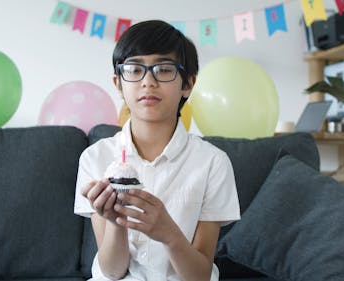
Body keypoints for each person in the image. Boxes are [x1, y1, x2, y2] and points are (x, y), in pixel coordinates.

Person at [74, 20, 240, 281]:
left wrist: (168, 233)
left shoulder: (212, 163)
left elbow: (199, 276)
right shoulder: (95, 159)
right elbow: (112, 270)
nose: (148, 81)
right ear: (118, 83)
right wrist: (116, 222)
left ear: (188, 83)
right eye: (134, 69)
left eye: (163, 70)